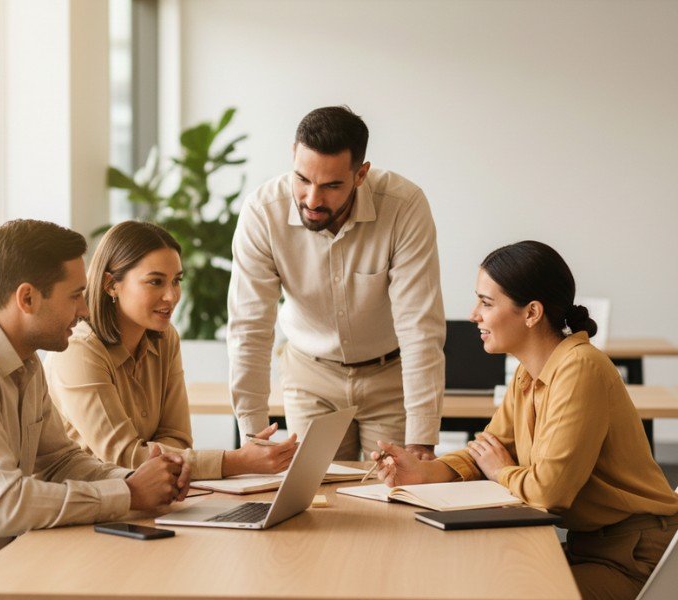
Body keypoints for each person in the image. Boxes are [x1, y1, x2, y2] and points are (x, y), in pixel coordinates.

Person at [0, 220, 191, 600]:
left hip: (3, 565)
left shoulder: (25, 363)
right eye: (76, 295)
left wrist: (136, 478)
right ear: (27, 298)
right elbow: (1, 506)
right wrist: (127, 494)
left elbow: (60, 462)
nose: (85, 310)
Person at [372, 240, 678, 600]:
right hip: (592, 550)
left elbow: (549, 493)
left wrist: (502, 472)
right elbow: (486, 450)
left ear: (532, 313)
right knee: (474, 580)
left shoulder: (580, 368)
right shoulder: (527, 374)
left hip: (634, 561)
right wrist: (424, 473)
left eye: (486, 303)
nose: (474, 315)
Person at [227, 105, 445, 460]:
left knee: (396, 495)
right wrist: (253, 435)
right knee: (312, 494)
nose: (312, 199)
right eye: (302, 180)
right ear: (292, 156)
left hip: (389, 374)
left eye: (331, 185)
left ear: (360, 175)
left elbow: (420, 325)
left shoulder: (404, 207)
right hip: (310, 373)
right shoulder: (262, 212)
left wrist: (421, 439)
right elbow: (249, 328)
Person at [44, 221, 297, 479]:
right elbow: (124, 457)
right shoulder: (78, 350)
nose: (171, 296)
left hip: (149, 497)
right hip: (91, 503)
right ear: (111, 285)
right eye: (155, 282)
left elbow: (178, 438)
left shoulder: (165, 338)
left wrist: (161, 458)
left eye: (176, 281)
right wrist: (237, 461)